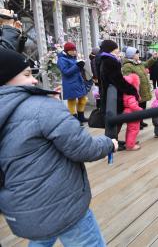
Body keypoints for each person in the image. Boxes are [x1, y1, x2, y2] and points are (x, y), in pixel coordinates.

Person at [0, 48, 118, 246]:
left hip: (22, 209)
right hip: (61, 204)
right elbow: (83, 147)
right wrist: (108, 143)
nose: (34, 80)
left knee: (42, 237)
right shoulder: (41, 107)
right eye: (27, 75)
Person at [98, 40, 139, 151]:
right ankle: (111, 142)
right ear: (111, 49)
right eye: (116, 48)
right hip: (113, 96)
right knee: (115, 119)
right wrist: (132, 90)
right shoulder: (110, 61)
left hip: (110, 94)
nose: (118, 50)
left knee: (116, 119)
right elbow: (118, 80)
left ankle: (113, 140)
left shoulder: (105, 59)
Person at [122, 47, 154, 128]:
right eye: (136, 53)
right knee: (136, 108)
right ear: (132, 55)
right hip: (136, 91)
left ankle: (141, 121)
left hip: (143, 89)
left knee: (143, 106)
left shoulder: (139, 63)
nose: (138, 55)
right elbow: (127, 79)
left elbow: (146, 64)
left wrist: (153, 58)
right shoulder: (127, 66)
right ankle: (137, 123)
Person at [57, 42, 89, 124]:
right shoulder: (61, 59)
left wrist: (80, 66)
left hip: (78, 82)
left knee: (83, 99)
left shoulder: (73, 57)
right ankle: (74, 120)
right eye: (72, 50)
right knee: (72, 101)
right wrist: (77, 66)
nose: (75, 52)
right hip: (70, 83)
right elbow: (65, 72)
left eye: (75, 50)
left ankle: (81, 117)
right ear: (67, 51)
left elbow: (76, 70)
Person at [123, 74, 142, 151]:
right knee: (134, 130)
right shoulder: (131, 95)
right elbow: (133, 106)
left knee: (130, 129)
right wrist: (140, 110)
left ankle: (129, 142)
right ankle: (130, 145)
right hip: (132, 113)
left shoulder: (125, 93)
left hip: (127, 113)